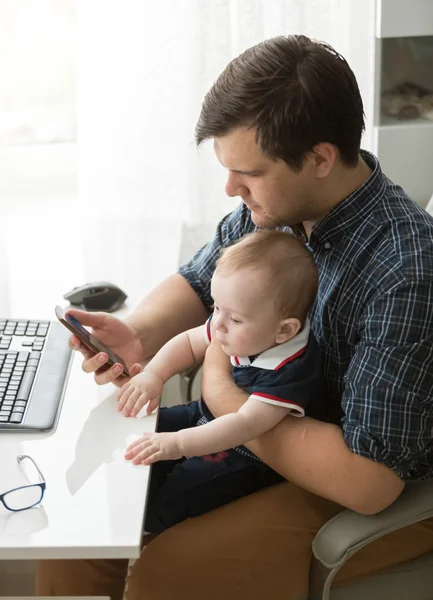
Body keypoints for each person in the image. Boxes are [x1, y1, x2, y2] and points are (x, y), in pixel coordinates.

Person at [36, 34, 433, 600]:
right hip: (259, 434)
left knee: (168, 567)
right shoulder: (273, 208)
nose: (230, 188)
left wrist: (222, 392)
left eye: (248, 172)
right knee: (89, 525)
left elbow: (369, 482)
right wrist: (141, 336)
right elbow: (200, 281)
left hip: (349, 471)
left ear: (319, 158)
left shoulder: (406, 270)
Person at [118, 230, 324, 533]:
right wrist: (154, 375)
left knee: (163, 503)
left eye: (234, 319)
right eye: (216, 308)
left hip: (244, 454)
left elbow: (244, 425)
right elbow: (190, 342)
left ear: (284, 331)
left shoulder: (291, 370)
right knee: (138, 427)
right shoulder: (244, 325)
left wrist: (176, 444)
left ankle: (149, 526)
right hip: (204, 417)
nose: (218, 324)